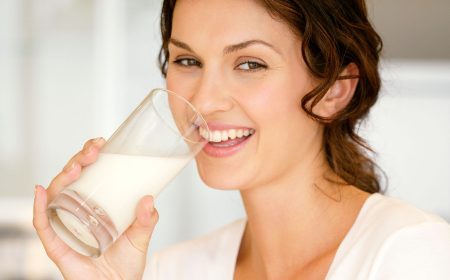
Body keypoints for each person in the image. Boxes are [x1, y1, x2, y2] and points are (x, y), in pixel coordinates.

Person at [33, 0, 450, 279]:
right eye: (188, 60)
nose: (204, 100)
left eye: (250, 64)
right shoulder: (175, 270)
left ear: (334, 91)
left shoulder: (410, 256)